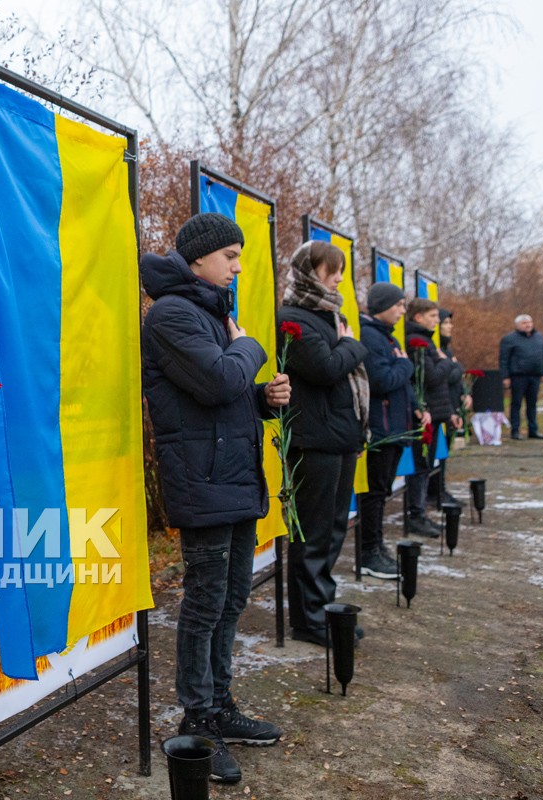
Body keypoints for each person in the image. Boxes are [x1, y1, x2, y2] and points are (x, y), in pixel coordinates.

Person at [140, 212, 291, 784]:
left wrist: (263, 400)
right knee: (205, 602)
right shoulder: (172, 315)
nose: (237, 266)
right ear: (198, 258)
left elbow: (224, 399)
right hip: (201, 481)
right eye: (230, 256)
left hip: (229, 475)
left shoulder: (207, 311)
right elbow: (218, 380)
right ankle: (198, 716)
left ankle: (220, 706)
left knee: (230, 600)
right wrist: (250, 348)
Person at [277, 242, 370, 641]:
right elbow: (325, 367)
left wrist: (344, 342)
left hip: (341, 438)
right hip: (314, 441)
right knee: (312, 535)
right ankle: (308, 620)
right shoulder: (291, 319)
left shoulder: (331, 317)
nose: (338, 278)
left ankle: (324, 608)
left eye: (340, 270)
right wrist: (350, 344)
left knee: (333, 529)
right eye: (329, 270)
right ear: (306, 272)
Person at [358, 283, 427, 579]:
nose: (402, 311)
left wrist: (415, 406)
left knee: (382, 490)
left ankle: (376, 546)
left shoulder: (386, 336)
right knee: (374, 492)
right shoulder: (370, 336)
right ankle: (369, 552)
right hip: (381, 429)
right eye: (398, 305)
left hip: (396, 426)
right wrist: (405, 364)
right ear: (383, 305)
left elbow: (401, 385)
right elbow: (382, 380)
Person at [403, 298, 461, 537]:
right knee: (420, 466)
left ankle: (420, 513)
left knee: (426, 466)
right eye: (433, 317)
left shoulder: (429, 342)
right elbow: (433, 378)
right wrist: (446, 362)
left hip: (436, 413)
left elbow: (446, 377)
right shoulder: (416, 342)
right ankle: (416, 515)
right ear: (418, 318)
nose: (438, 322)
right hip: (424, 415)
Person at [428, 309, 466, 506]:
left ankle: (440, 489)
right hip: (440, 407)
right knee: (434, 454)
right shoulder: (434, 349)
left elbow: (456, 376)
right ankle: (434, 492)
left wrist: (464, 394)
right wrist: (452, 367)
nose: (450, 326)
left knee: (443, 453)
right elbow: (447, 376)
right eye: (446, 323)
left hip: (451, 404)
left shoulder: (447, 350)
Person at [499, 314, 543, 439]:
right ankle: (515, 431)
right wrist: (505, 377)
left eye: (530, 322)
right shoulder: (509, 339)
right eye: (524, 323)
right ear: (517, 325)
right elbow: (503, 359)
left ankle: (533, 430)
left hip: (535, 376)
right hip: (518, 376)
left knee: (532, 404)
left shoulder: (539, 337)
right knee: (516, 404)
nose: (528, 325)